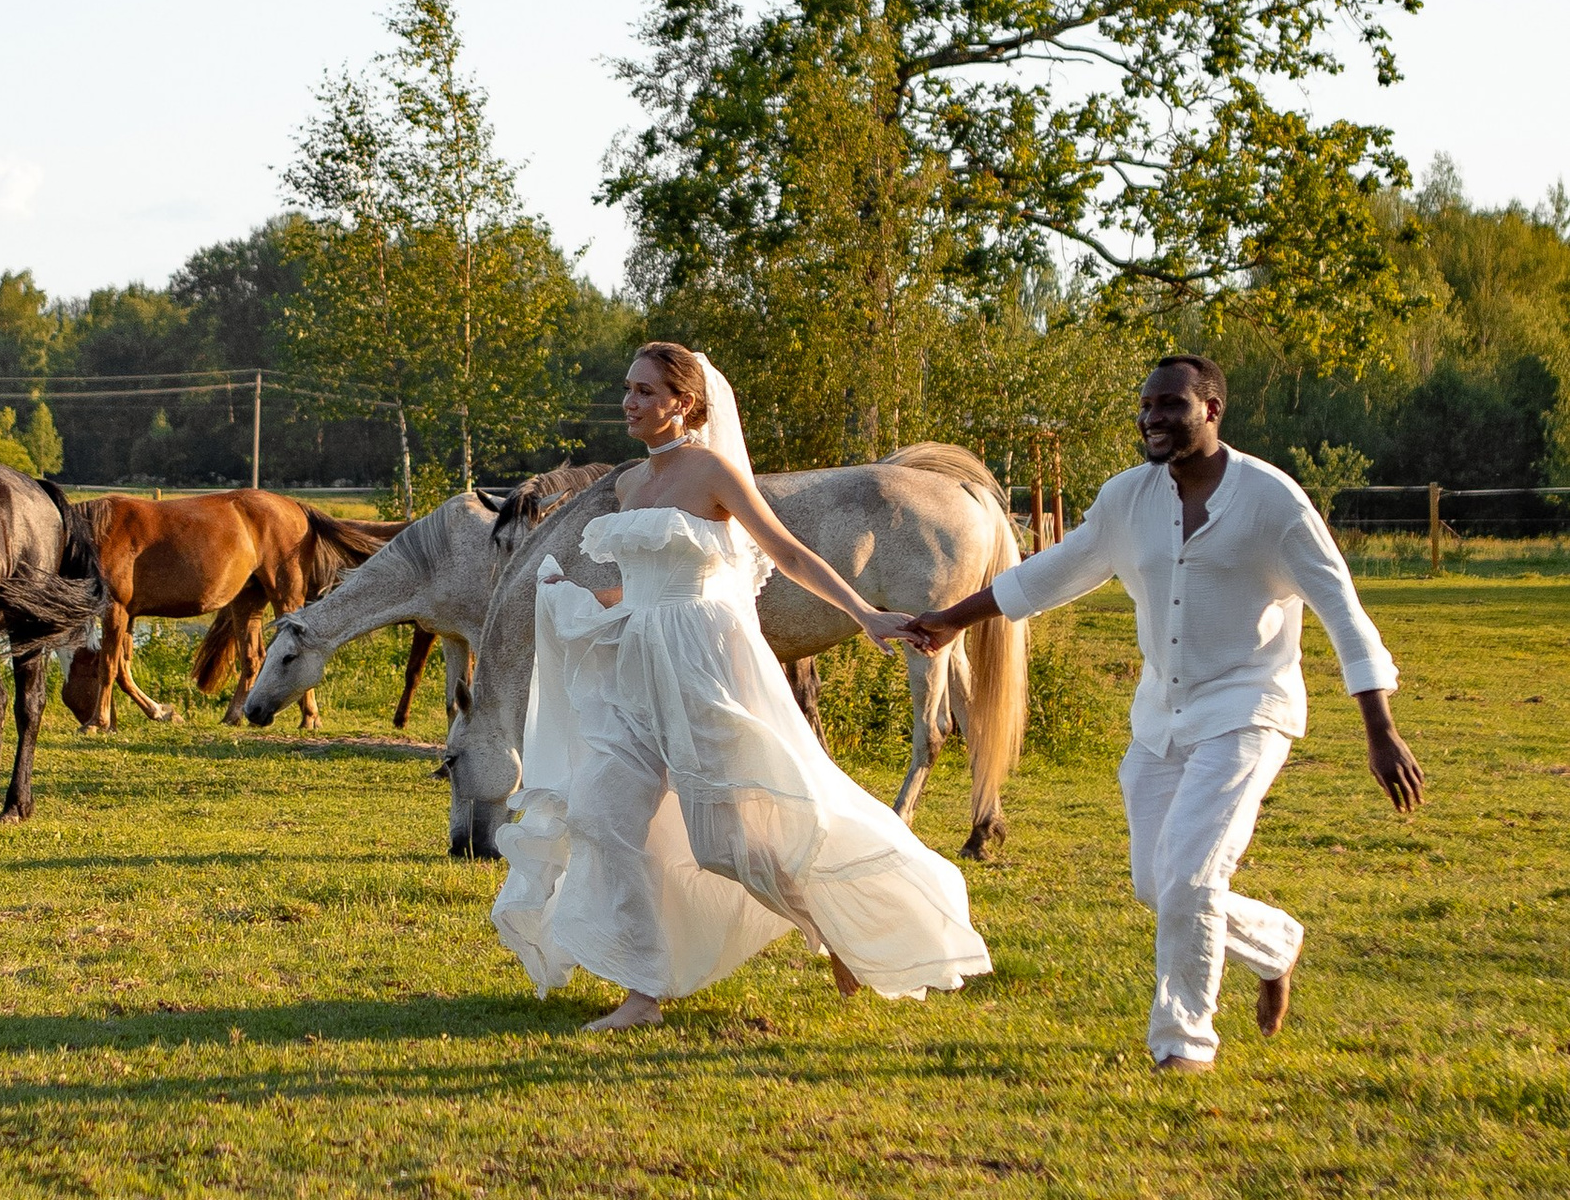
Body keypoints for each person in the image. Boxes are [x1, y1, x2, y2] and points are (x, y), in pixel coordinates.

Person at [905, 355, 1421, 1071]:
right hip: (1159, 721)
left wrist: (1381, 729)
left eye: (1171, 405)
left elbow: (1344, 614)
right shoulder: (1126, 500)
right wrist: (955, 618)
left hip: (1248, 712)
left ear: (1212, 410)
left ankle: (1184, 1045)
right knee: (1159, 883)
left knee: (1190, 877)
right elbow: (1049, 573)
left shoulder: (1274, 503)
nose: (1152, 418)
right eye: (1146, 406)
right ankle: (1272, 944)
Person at [491, 342, 994, 1033]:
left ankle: (835, 931)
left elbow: (785, 552)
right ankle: (642, 995)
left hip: (701, 661)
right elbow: (638, 585)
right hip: (635, 666)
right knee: (604, 817)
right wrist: (571, 596)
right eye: (628, 390)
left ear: (685, 403)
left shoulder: (713, 472)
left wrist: (864, 611)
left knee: (725, 845)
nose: (629, 403)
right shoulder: (630, 485)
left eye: (644, 392)